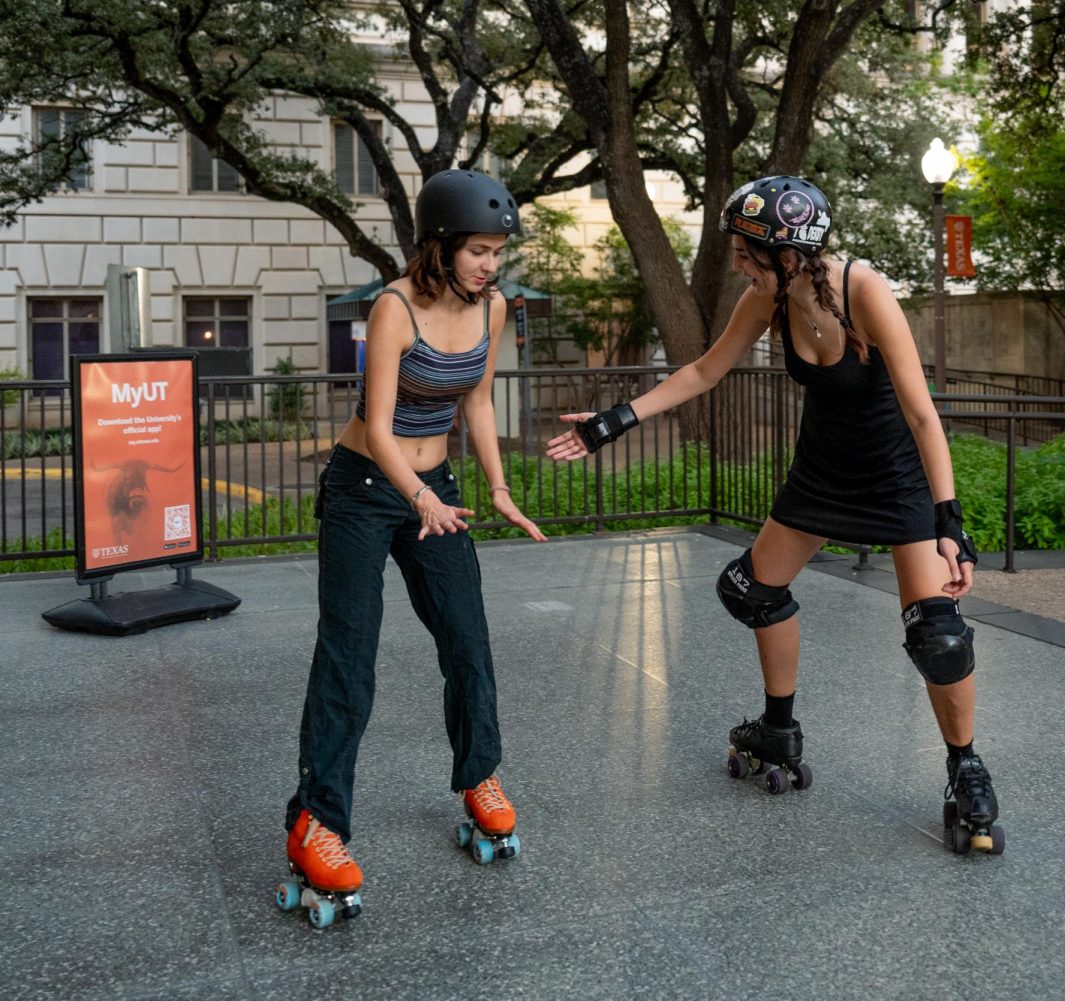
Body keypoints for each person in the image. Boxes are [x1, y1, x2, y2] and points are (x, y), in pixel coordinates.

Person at [546, 176, 1002, 854]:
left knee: (937, 634)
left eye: (746, 249)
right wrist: (613, 422)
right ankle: (778, 728)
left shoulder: (863, 290)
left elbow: (921, 411)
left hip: (895, 477)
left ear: (790, 252)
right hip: (820, 475)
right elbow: (704, 370)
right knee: (749, 589)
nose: (736, 261)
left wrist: (949, 521)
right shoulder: (768, 297)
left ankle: (965, 765)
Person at [283, 169, 546, 906]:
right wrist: (418, 495)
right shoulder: (393, 308)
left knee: (467, 637)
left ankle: (479, 775)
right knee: (349, 653)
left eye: (497, 252)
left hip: (441, 494)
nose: (491, 265)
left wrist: (494, 487)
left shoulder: (492, 308)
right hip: (367, 489)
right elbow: (378, 423)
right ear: (439, 245)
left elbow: (480, 400)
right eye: (479, 252)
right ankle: (316, 822)